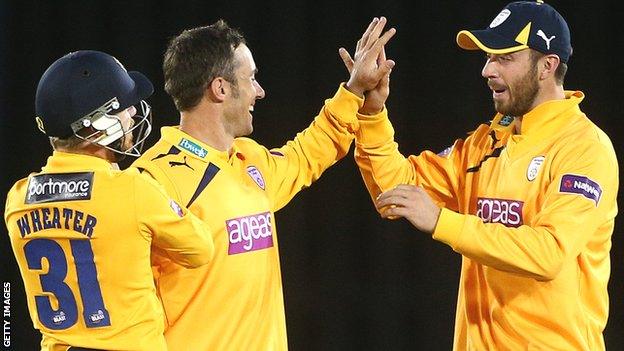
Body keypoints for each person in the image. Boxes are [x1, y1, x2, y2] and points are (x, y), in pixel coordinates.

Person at [340, 1, 618, 350]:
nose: (487, 70)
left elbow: (549, 254)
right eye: (488, 57)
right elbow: (396, 191)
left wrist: (444, 221)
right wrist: (372, 112)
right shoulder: (488, 140)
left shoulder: (584, 148)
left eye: (504, 58)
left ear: (547, 66)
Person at [131, 18, 395, 350]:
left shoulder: (249, 160)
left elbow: (306, 155)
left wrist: (355, 91)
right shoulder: (151, 181)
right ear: (221, 88)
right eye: (251, 78)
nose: (259, 91)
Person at [4, 50, 215, 351]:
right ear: (96, 125)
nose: (132, 114)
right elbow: (200, 250)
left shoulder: (18, 198)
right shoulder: (133, 190)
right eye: (123, 108)